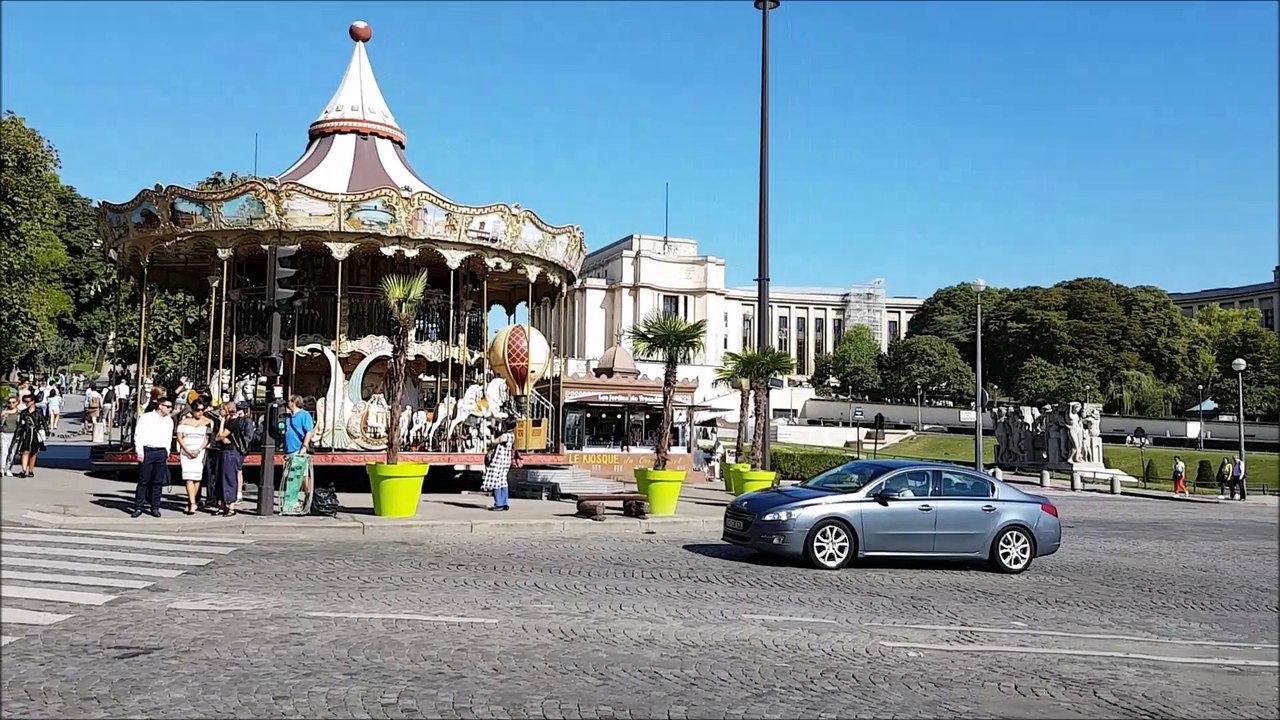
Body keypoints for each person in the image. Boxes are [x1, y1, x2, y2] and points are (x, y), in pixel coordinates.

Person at [132, 396, 175, 518]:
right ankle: (138, 506)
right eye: (167, 406)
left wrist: (167, 451)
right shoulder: (147, 418)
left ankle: (155, 506)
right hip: (148, 450)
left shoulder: (169, 420)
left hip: (161, 451)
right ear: (160, 406)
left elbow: (168, 436)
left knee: (158, 481)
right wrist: (139, 451)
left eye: (171, 407)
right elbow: (138, 434)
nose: (170, 409)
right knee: (143, 480)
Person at [175, 400, 212, 515]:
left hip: (199, 450)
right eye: (197, 410)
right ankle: (192, 503)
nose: (200, 412)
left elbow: (208, 438)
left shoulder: (208, 422)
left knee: (197, 477)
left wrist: (199, 449)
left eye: (202, 410)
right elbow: (180, 437)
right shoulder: (184, 422)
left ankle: (192, 501)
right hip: (186, 450)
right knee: (188, 477)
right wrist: (187, 450)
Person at [282, 394, 315, 498]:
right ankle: (292, 499)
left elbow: (309, 431)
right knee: (290, 476)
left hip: (299, 448)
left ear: (294, 402)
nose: (287, 403)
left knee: (302, 475)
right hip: (289, 449)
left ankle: (308, 496)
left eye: (289, 401)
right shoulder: (288, 416)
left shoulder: (304, 415)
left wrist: (304, 446)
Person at [481, 419, 517, 511]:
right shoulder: (512, 435)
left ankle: (498, 503)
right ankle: (505, 502)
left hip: (499, 460)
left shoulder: (504, 436)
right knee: (503, 481)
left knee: (496, 481)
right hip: (506, 460)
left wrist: (492, 431)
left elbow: (493, 441)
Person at [13, 394, 48, 478]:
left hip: (35, 433)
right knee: (25, 451)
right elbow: (20, 425)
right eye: (25, 401)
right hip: (26, 433)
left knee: (33, 453)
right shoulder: (24, 412)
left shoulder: (38, 411)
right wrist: (17, 435)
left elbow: (43, 422)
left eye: (28, 401)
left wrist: (46, 432)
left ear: (33, 402)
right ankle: (24, 470)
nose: (26, 403)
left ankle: (31, 470)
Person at [1, 396, 21, 477]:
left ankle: (9, 468)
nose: (11, 404)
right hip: (4, 433)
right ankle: (1, 468)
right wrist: (2, 416)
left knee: (12, 453)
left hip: (14, 435)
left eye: (13, 402)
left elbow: (21, 424)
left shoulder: (19, 413)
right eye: (9, 402)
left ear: (17, 403)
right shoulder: (4, 411)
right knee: (3, 451)